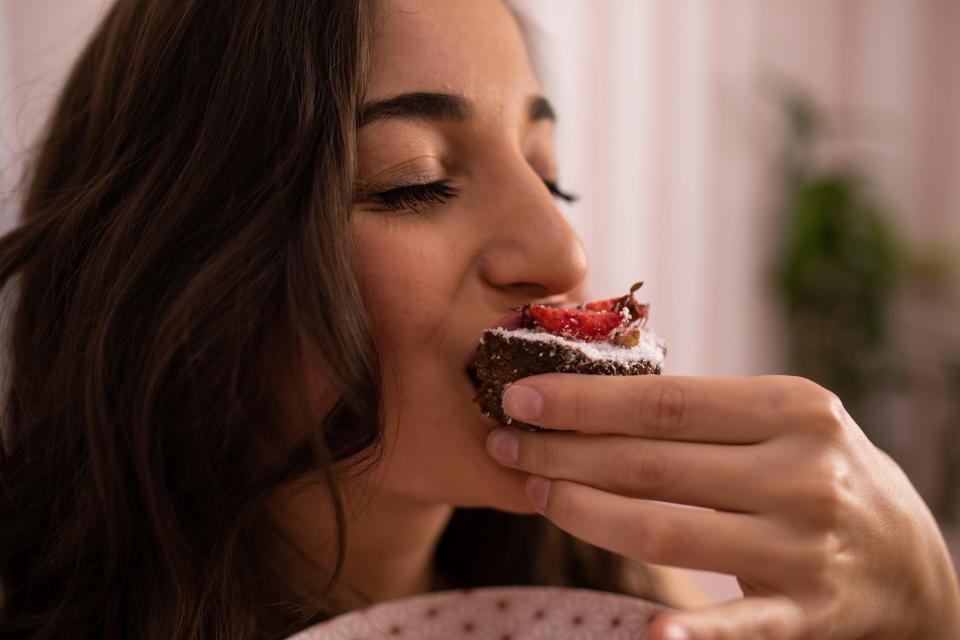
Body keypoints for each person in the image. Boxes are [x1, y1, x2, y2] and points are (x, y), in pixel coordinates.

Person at [0, 1, 957, 638]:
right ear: (185, 264)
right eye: (414, 182)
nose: (564, 253)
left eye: (549, 173)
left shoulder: (618, 597)